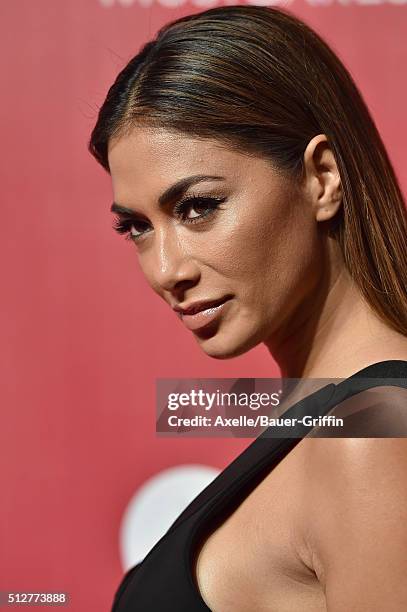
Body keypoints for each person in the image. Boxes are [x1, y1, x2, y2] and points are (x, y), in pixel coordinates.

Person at [89, 6, 407, 610]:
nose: (166, 270)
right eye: (136, 227)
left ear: (322, 177)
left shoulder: (373, 438)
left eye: (198, 206)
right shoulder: (334, 424)